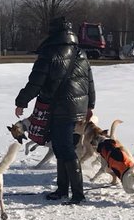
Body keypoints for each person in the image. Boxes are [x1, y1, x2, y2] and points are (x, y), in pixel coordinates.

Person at [14, 16, 96, 204]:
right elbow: (90, 81)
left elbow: (36, 82)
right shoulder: (80, 52)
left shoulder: (49, 53)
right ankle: (62, 189)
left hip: (60, 107)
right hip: (76, 107)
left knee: (65, 148)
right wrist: (90, 105)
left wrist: (22, 101)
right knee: (61, 147)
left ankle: (77, 194)